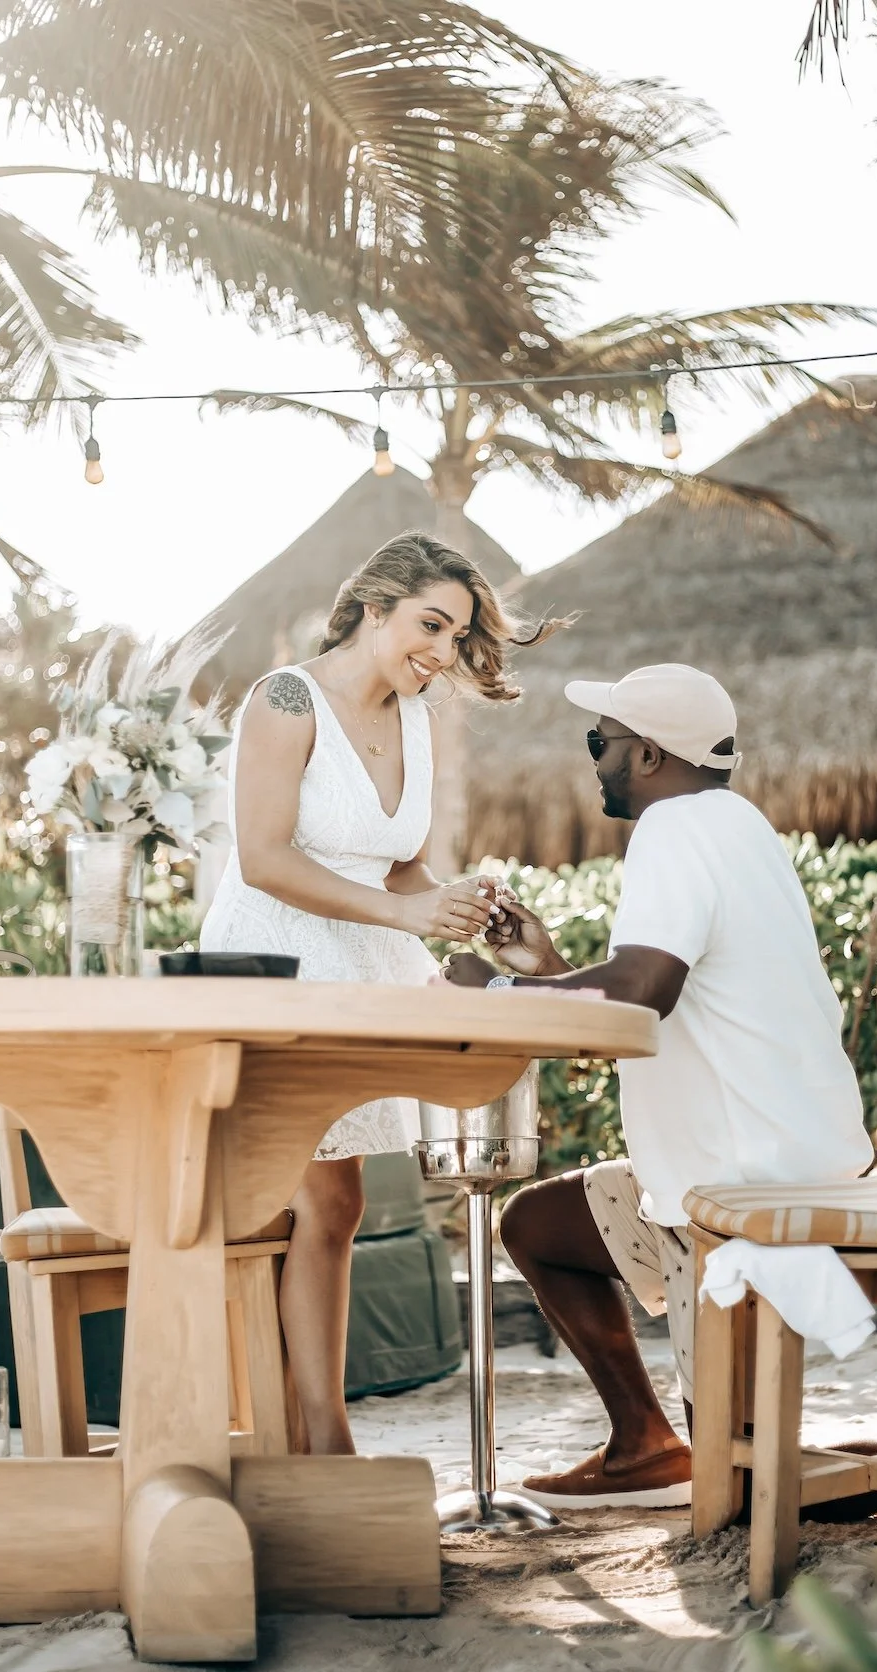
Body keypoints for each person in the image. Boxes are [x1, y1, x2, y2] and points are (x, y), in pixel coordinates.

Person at [444, 663, 873, 1507]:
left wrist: (492, 994)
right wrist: (548, 970)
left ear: (646, 755)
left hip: (738, 1190)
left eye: (601, 743)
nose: (595, 758)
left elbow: (643, 992)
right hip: (760, 1159)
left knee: (742, 1482)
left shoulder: (673, 831)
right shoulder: (737, 825)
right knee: (536, 1222)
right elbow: (652, 1007)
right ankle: (643, 1444)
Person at [201, 530, 562, 1454]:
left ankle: (310, 1431)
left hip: (365, 962)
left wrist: (455, 903)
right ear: (374, 606)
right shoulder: (285, 699)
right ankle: (319, 1437)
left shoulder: (415, 716)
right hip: (278, 964)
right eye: (430, 627)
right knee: (315, 1201)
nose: (441, 654)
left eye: (456, 637)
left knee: (338, 1201)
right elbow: (265, 856)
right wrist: (405, 918)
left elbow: (397, 863)